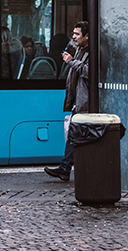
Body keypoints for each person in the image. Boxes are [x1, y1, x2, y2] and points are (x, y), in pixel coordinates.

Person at [44, 20, 90, 183]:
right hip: (79, 101)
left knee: (75, 135)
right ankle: (65, 168)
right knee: (73, 135)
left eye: (77, 34)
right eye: (73, 33)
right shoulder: (79, 50)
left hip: (85, 102)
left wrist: (71, 61)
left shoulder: (91, 53)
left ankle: (66, 168)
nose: (74, 36)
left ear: (87, 36)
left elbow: (89, 73)